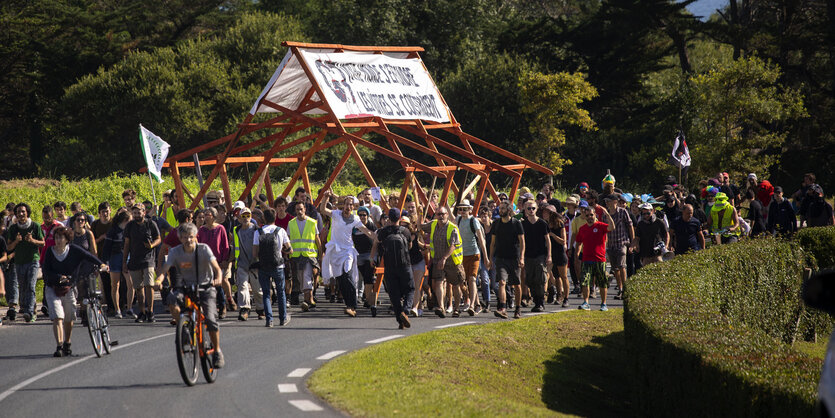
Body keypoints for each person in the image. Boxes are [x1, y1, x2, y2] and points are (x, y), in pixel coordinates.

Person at [156, 223, 225, 368]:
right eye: (185, 237)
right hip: (185, 287)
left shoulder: (204, 249)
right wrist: (158, 280)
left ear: (196, 237)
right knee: (172, 300)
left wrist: (218, 278)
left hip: (205, 287)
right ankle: (185, 330)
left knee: (211, 319)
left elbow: (217, 268)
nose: (188, 240)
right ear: (180, 238)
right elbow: (164, 270)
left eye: (191, 237)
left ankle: (217, 351)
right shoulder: (175, 252)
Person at [42, 226, 107, 357]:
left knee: (69, 317)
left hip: (69, 288)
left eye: (61, 237)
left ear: (67, 239)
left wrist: (101, 265)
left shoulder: (73, 250)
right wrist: (58, 277)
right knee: (57, 317)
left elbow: (88, 256)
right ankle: (59, 346)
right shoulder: (50, 251)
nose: (58, 240)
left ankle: (67, 342)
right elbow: (46, 271)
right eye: (56, 238)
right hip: (52, 288)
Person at [319, 191, 375, 317]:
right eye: (347, 204)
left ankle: (353, 305)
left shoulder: (355, 219)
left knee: (347, 273)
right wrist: (325, 197)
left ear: (353, 207)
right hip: (335, 252)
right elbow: (323, 209)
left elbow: (368, 232)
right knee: (341, 279)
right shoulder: (336, 214)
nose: (348, 207)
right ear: (343, 205)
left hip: (348, 251)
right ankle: (349, 305)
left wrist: (379, 237)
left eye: (351, 205)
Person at [372, 210, 415, 329]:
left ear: (389, 219)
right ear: (399, 218)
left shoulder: (383, 231)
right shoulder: (405, 231)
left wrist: (372, 257)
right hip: (405, 265)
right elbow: (410, 246)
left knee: (394, 293)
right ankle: (405, 311)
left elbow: (377, 242)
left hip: (389, 266)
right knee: (410, 289)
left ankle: (400, 320)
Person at [421, 205, 464, 318]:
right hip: (437, 261)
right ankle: (441, 307)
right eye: (438, 214)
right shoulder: (433, 224)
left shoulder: (452, 228)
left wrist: (444, 258)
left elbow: (453, 246)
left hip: (452, 262)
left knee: (455, 285)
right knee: (439, 283)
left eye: (443, 214)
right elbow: (421, 226)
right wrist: (420, 213)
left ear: (447, 215)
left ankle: (457, 308)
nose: (440, 217)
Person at [5, 203, 45, 323]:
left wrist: (32, 240)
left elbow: (43, 243)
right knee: (23, 287)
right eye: (18, 212)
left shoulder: (35, 226)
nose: (21, 214)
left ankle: (29, 312)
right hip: (19, 262)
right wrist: (17, 241)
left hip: (32, 260)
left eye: (23, 211)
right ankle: (29, 308)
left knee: (31, 285)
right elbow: (9, 247)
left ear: (27, 212)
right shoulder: (13, 228)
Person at [252, 208, 292, 327]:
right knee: (281, 292)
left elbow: (254, 253)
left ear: (264, 218)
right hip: (278, 265)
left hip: (263, 265)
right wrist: (283, 250)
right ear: (275, 218)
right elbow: (290, 250)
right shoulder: (281, 231)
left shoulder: (258, 232)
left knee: (266, 294)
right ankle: (283, 317)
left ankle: (269, 320)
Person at [123, 203, 161, 323]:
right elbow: (127, 244)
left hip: (148, 259)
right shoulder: (130, 226)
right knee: (138, 288)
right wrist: (124, 262)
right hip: (134, 259)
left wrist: (152, 245)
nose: (136, 215)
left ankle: (150, 311)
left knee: (149, 285)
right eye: (134, 213)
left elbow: (158, 238)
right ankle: (142, 311)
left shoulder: (150, 224)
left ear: (144, 212)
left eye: (139, 212)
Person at [574, 201, 615, 311]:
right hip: (586, 259)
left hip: (600, 259)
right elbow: (578, 242)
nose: (589, 217)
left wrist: (607, 214)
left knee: (602, 282)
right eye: (587, 215)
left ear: (595, 215)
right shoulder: (582, 229)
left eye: (591, 215)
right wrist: (577, 254)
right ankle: (586, 302)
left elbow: (611, 227)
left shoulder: (600, 226)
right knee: (585, 281)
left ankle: (603, 304)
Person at [489, 200, 525, 319]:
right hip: (500, 258)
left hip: (514, 258)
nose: (501, 211)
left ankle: (518, 308)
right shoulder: (496, 223)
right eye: (500, 208)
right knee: (502, 282)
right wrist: (490, 258)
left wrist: (522, 257)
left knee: (516, 284)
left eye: (503, 208)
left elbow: (522, 242)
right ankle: (503, 308)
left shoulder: (516, 223)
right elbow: (492, 243)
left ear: (509, 210)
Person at [197, 207, 234, 316]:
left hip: (218, 261)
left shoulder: (220, 228)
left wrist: (224, 260)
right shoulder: (201, 230)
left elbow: (225, 245)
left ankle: (223, 307)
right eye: (204, 215)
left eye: (207, 215)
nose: (205, 217)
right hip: (205, 262)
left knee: (219, 284)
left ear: (213, 216)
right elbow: (198, 246)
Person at [455, 200, 490, 316]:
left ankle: (471, 306)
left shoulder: (473, 221)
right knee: (463, 281)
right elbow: (449, 219)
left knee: (472, 279)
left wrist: (486, 258)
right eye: (460, 209)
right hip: (462, 255)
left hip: (474, 254)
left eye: (465, 209)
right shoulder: (458, 220)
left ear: (470, 210)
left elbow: (481, 239)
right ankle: (477, 304)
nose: (462, 211)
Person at [287, 201, 321, 313]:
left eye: (301, 209)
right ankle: (310, 300)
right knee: (301, 279)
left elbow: (317, 240)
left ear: (305, 209)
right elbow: (288, 239)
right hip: (296, 256)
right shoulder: (291, 223)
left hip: (309, 256)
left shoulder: (312, 222)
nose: (299, 211)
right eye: (297, 209)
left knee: (307, 277)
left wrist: (320, 255)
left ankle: (307, 301)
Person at [231, 207, 263, 321]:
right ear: (239, 218)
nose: (246, 218)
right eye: (243, 216)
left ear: (251, 217)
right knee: (242, 287)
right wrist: (231, 260)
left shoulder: (257, 230)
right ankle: (244, 309)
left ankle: (261, 309)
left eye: (248, 216)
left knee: (257, 288)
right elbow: (234, 247)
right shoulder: (236, 230)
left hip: (255, 264)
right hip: (242, 263)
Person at [521, 200, 551, 313]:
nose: (531, 210)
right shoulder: (523, 224)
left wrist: (549, 256)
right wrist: (521, 257)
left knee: (540, 279)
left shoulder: (542, 223)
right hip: (528, 256)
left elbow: (548, 241)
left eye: (533, 208)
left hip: (540, 255)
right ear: (525, 210)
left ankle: (541, 302)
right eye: (528, 208)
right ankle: (535, 301)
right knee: (530, 280)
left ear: (537, 209)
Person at [102, 210, 131, 318]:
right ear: (125, 220)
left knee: (130, 283)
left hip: (127, 258)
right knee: (115, 285)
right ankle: (117, 309)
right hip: (114, 258)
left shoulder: (129, 230)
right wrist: (106, 262)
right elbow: (106, 247)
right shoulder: (113, 231)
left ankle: (129, 308)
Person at [604, 194, 633, 300]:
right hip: (610, 244)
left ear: (615, 201)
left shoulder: (623, 212)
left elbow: (630, 225)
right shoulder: (605, 214)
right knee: (615, 268)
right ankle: (620, 289)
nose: (607, 203)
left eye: (609, 201)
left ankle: (625, 289)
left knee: (621, 266)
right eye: (606, 201)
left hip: (622, 243)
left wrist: (632, 242)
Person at [542, 205, 569, 307]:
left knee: (564, 276)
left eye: (546, 212)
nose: (544, 214)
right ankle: (558, 295)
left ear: (551, 213)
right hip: (550, 253)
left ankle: (566, 298)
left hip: (560, 253)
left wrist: (552, 235)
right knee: (556, 277)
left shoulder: (559, 224)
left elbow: (563, 241)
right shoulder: (545, 224)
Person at [91, 202, 115, 314]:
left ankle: (120, 304)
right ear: (99, 213)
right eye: (102, 212)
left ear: (110, 210)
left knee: (117, 282)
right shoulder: (95, 225)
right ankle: (111, 306)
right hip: (101, 257)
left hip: (114, 256)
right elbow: (91, 242)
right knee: (106, 283)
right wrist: (101, 238)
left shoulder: (114, 223)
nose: (105, 213)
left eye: (107, 211)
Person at [353, 206, 378, 311]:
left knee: (368, 275)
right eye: (360, 215)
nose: (362, 217)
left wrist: (373, 255)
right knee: (362, 276)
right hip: (358, 254)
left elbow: (376, 239)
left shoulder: (371, 226)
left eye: (364, 215)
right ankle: (366, 295)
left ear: (368, 216)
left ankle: (368, 300)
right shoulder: (354, 227)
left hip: (369, 254)